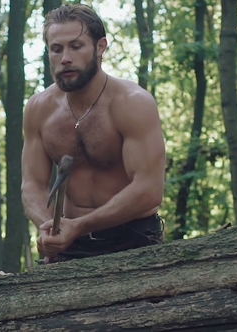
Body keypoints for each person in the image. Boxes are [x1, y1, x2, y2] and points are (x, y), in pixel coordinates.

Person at [21, 3, 166, 263]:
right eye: (56, 49)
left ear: (100, 47)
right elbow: (32, 185)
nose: (65, 57)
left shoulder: (132, 103)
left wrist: (79, 225)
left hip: (134, 238)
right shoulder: (38, 109)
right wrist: (50, 228)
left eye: (76, 46)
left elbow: (149, 189)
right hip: (69, 241)